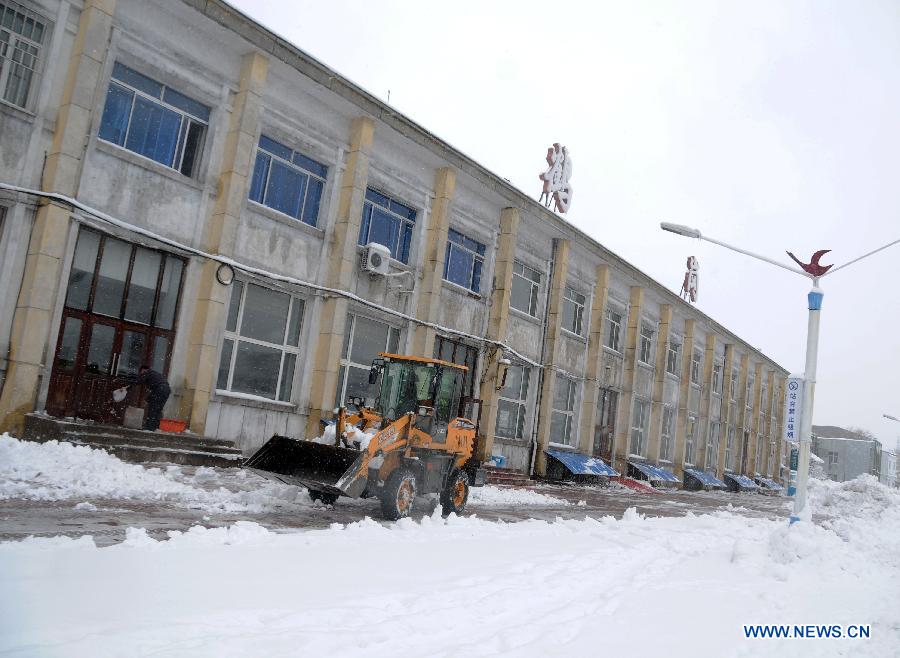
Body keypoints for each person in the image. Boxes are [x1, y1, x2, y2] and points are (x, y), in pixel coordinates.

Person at [126, 365, 171, 431]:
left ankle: (149, 428)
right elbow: (155, 390)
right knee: (158, 409)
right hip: (167, 390)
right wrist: (147, 400)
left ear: (143, 370)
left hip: (160, 389)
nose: (141, 374)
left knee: (153, 409)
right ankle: (156, 427)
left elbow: (139, 381)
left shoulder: (147, 373)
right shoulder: (155, 374)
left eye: (141, 372)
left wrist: (127, 387)